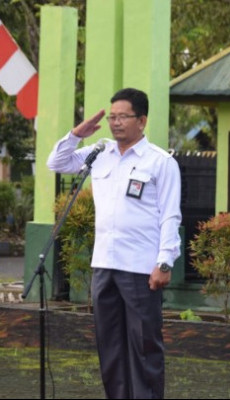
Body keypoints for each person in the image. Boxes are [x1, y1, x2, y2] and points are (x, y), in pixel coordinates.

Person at [47, 88, 182, 399]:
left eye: (123, 117)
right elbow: (57, 163)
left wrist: (164, 262)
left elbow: (171, 216)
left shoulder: (160, 162)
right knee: (110, 348)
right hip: (104, 266)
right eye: (112, 117)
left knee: (144, 347)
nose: (116, 123)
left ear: (142, 120)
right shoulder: (100, 153)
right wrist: (75, 134)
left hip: (140, 269)